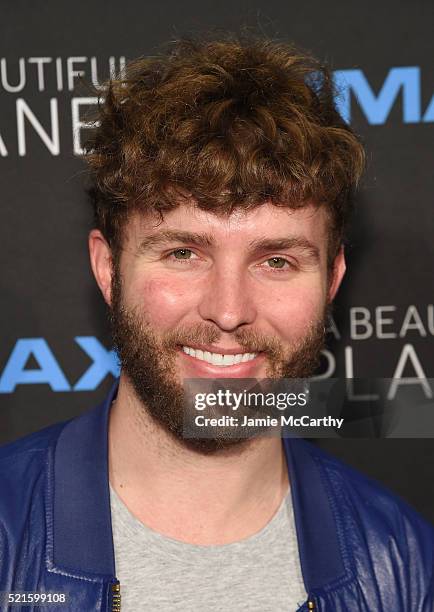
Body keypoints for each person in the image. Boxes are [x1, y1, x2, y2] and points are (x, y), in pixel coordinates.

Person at [0, 36, 432, 612]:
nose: (228, 311)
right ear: (108, 269)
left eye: (276, 261)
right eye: (183, 253)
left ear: (331, 281)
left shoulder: (404, 563)